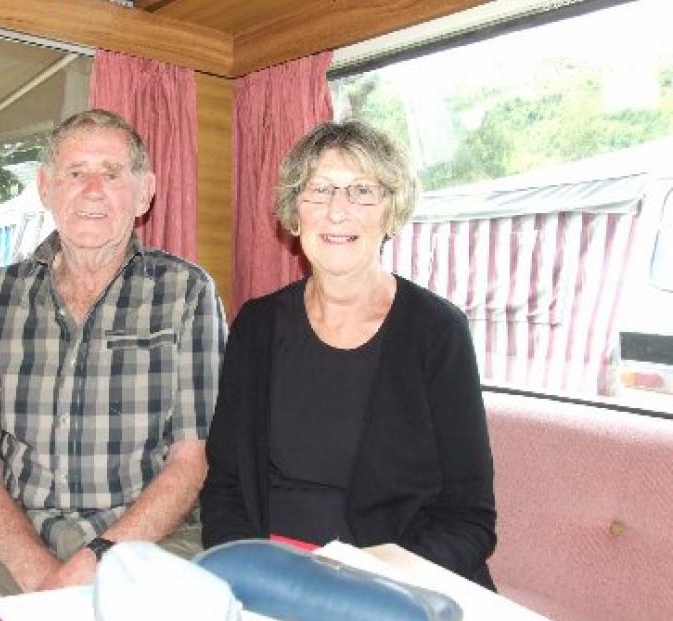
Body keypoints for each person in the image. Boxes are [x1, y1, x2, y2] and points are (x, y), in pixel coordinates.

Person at [0, 109, 227, 600]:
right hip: (14, 541)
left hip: (149, 541)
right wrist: (41, 576)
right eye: (75, 173)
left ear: (144, 192)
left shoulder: (187, 293)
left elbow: (193, 461)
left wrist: (95, 560)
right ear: (46, 187)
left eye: (111, 173)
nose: (92, 190)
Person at [199, 119, 497, 589]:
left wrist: (367, 578)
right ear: (294, 214)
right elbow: (225, 489)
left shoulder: (438, 331)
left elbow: (469, 519)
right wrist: (252, 573)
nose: (338, 211)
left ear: (391, 212)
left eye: (362, 191)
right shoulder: (256, 326)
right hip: (271, 573)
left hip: (395, 583)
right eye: (318, 190)